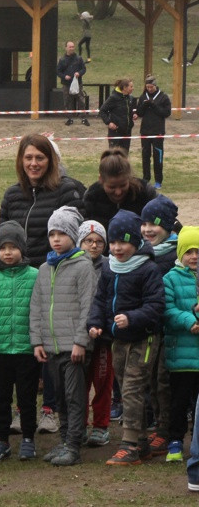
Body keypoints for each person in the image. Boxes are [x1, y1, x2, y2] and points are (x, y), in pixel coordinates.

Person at [89, 210, 165, 466]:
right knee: (125, 387)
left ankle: (129, 445)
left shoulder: (148, 269)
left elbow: (156, 305)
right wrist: (95, 323)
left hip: (144, 338)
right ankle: (141, 442)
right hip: (117, 339)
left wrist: (132, 317)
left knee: (133, 388)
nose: (116, 248)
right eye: (112, 242)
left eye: (123, 242)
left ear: (135, 242)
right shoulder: (109, 267)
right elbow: (100, 299)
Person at [30, 206, 95, 466]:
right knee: (59, 397)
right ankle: (65, 440)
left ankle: (74, 445)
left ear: (73, 235)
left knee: (74, 396)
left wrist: (81, 341)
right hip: (51, 346)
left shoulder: (84, 266)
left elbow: (88, 306)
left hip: (73, 348)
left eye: (62, 233)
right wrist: (37, 340)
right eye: (52, 234)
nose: (56, 239)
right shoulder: (44, 269)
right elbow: (37, 306)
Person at [0, 221, 40, 462]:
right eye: (3, 248)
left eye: (13, 247)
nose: (7, 252)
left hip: (27, 350)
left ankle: (28, 439)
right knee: (0, 399)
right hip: (1, 351)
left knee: (27, 399)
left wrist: (38, 343)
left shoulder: (35, 275)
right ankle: (1, 441)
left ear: (22, 249)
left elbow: (38, 312)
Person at [0, 134, 85, 267]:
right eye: (28, 158)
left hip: (53, 272)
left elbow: (79, 239)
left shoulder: (66, 191)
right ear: (21, 160)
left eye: (40, 158)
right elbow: (0, 239)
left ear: (50, 160)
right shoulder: (11, 195)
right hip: (17, 275)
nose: (33, 163)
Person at [140, 195, 179, 458]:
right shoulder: (146, 253)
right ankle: (158, 425)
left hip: (170, 330)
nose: (147, 229)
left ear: (166, 225)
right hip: (151, 329)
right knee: (152, 379)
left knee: (164, 381)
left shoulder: (175, 255)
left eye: (153, 224)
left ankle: (166, 429)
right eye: (144, 224)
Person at [162, 226, 199, 464]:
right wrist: (189, 320)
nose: (194, 256)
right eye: (189, 251)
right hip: (181, 356)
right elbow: (167, 310)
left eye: (198, 251)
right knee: (178, 402)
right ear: (180, 253)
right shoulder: (170, 278)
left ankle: (197, 442)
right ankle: (175, 440)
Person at [77, 220, 112, 448]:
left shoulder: (109, 267)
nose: (93, 245)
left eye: (99, 241)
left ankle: (100, 426)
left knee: (102, 382)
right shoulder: (73, 265)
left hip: (103, 338)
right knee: (79, 384)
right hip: (78, 337)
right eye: (88, 241)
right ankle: (78, 425)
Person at [83, 149, 158, 231]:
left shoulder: (145, 192)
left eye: (123, 185)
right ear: (101, 179)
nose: (118, 192)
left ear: (129, 177)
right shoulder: (91, 196)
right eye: (112, 187)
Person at [137, 74, 171, 188]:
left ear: (155, 86)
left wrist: (154, 105)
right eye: (148, 87)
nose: (149, 89)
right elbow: (139, 113)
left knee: (158, 156)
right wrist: (144, 105)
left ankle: (158, 181)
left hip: (158, 131)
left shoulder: (163, 97)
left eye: (151, 87)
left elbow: (166, 113)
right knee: (145, 156)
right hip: (145, 131)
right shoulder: (143, 96)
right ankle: (146, 179)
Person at [56, 41, 89, 126]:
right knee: (67, 101)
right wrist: (64, 76)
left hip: (78, 84)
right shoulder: (62, 60)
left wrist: (79, 73)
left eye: (73, 47)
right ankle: (69, 118)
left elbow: (84, 69)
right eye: (70, 47)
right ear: (66, 48)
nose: (71, 48)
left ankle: (83, 118)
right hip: (66, 84)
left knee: (81, 100)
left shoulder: (79, 58)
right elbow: (58, 71)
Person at [99, 78, 137, 151]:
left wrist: (134, 114)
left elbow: (130, 110)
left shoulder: (130, 98)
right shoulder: (114, 98)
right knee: (114, 155)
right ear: (125, 88)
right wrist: (109, 122)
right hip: (115, 132)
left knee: (124, 155)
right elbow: (102, 111)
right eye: (131, 87)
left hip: (127, 131)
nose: (133, 88)